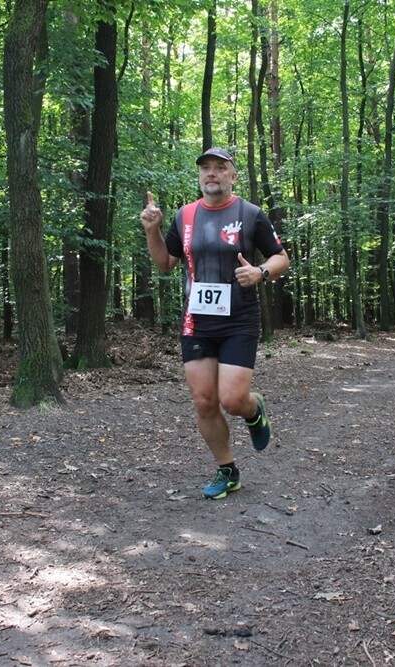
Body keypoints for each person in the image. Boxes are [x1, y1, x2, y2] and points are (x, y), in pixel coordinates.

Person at [140, 147, 290, 500]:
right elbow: (165, 264)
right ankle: (227, 470)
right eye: (205, 168)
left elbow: (281, 257)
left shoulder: (250, 214)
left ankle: (253, 410)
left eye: (220, 168)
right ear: (199, 176)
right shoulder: (185, 215)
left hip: (239, 318)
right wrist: (152, 231)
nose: (211, 173)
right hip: (197, 321)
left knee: (233, 400)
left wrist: (260, 272)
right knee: (204, 400)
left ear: (232, 176)